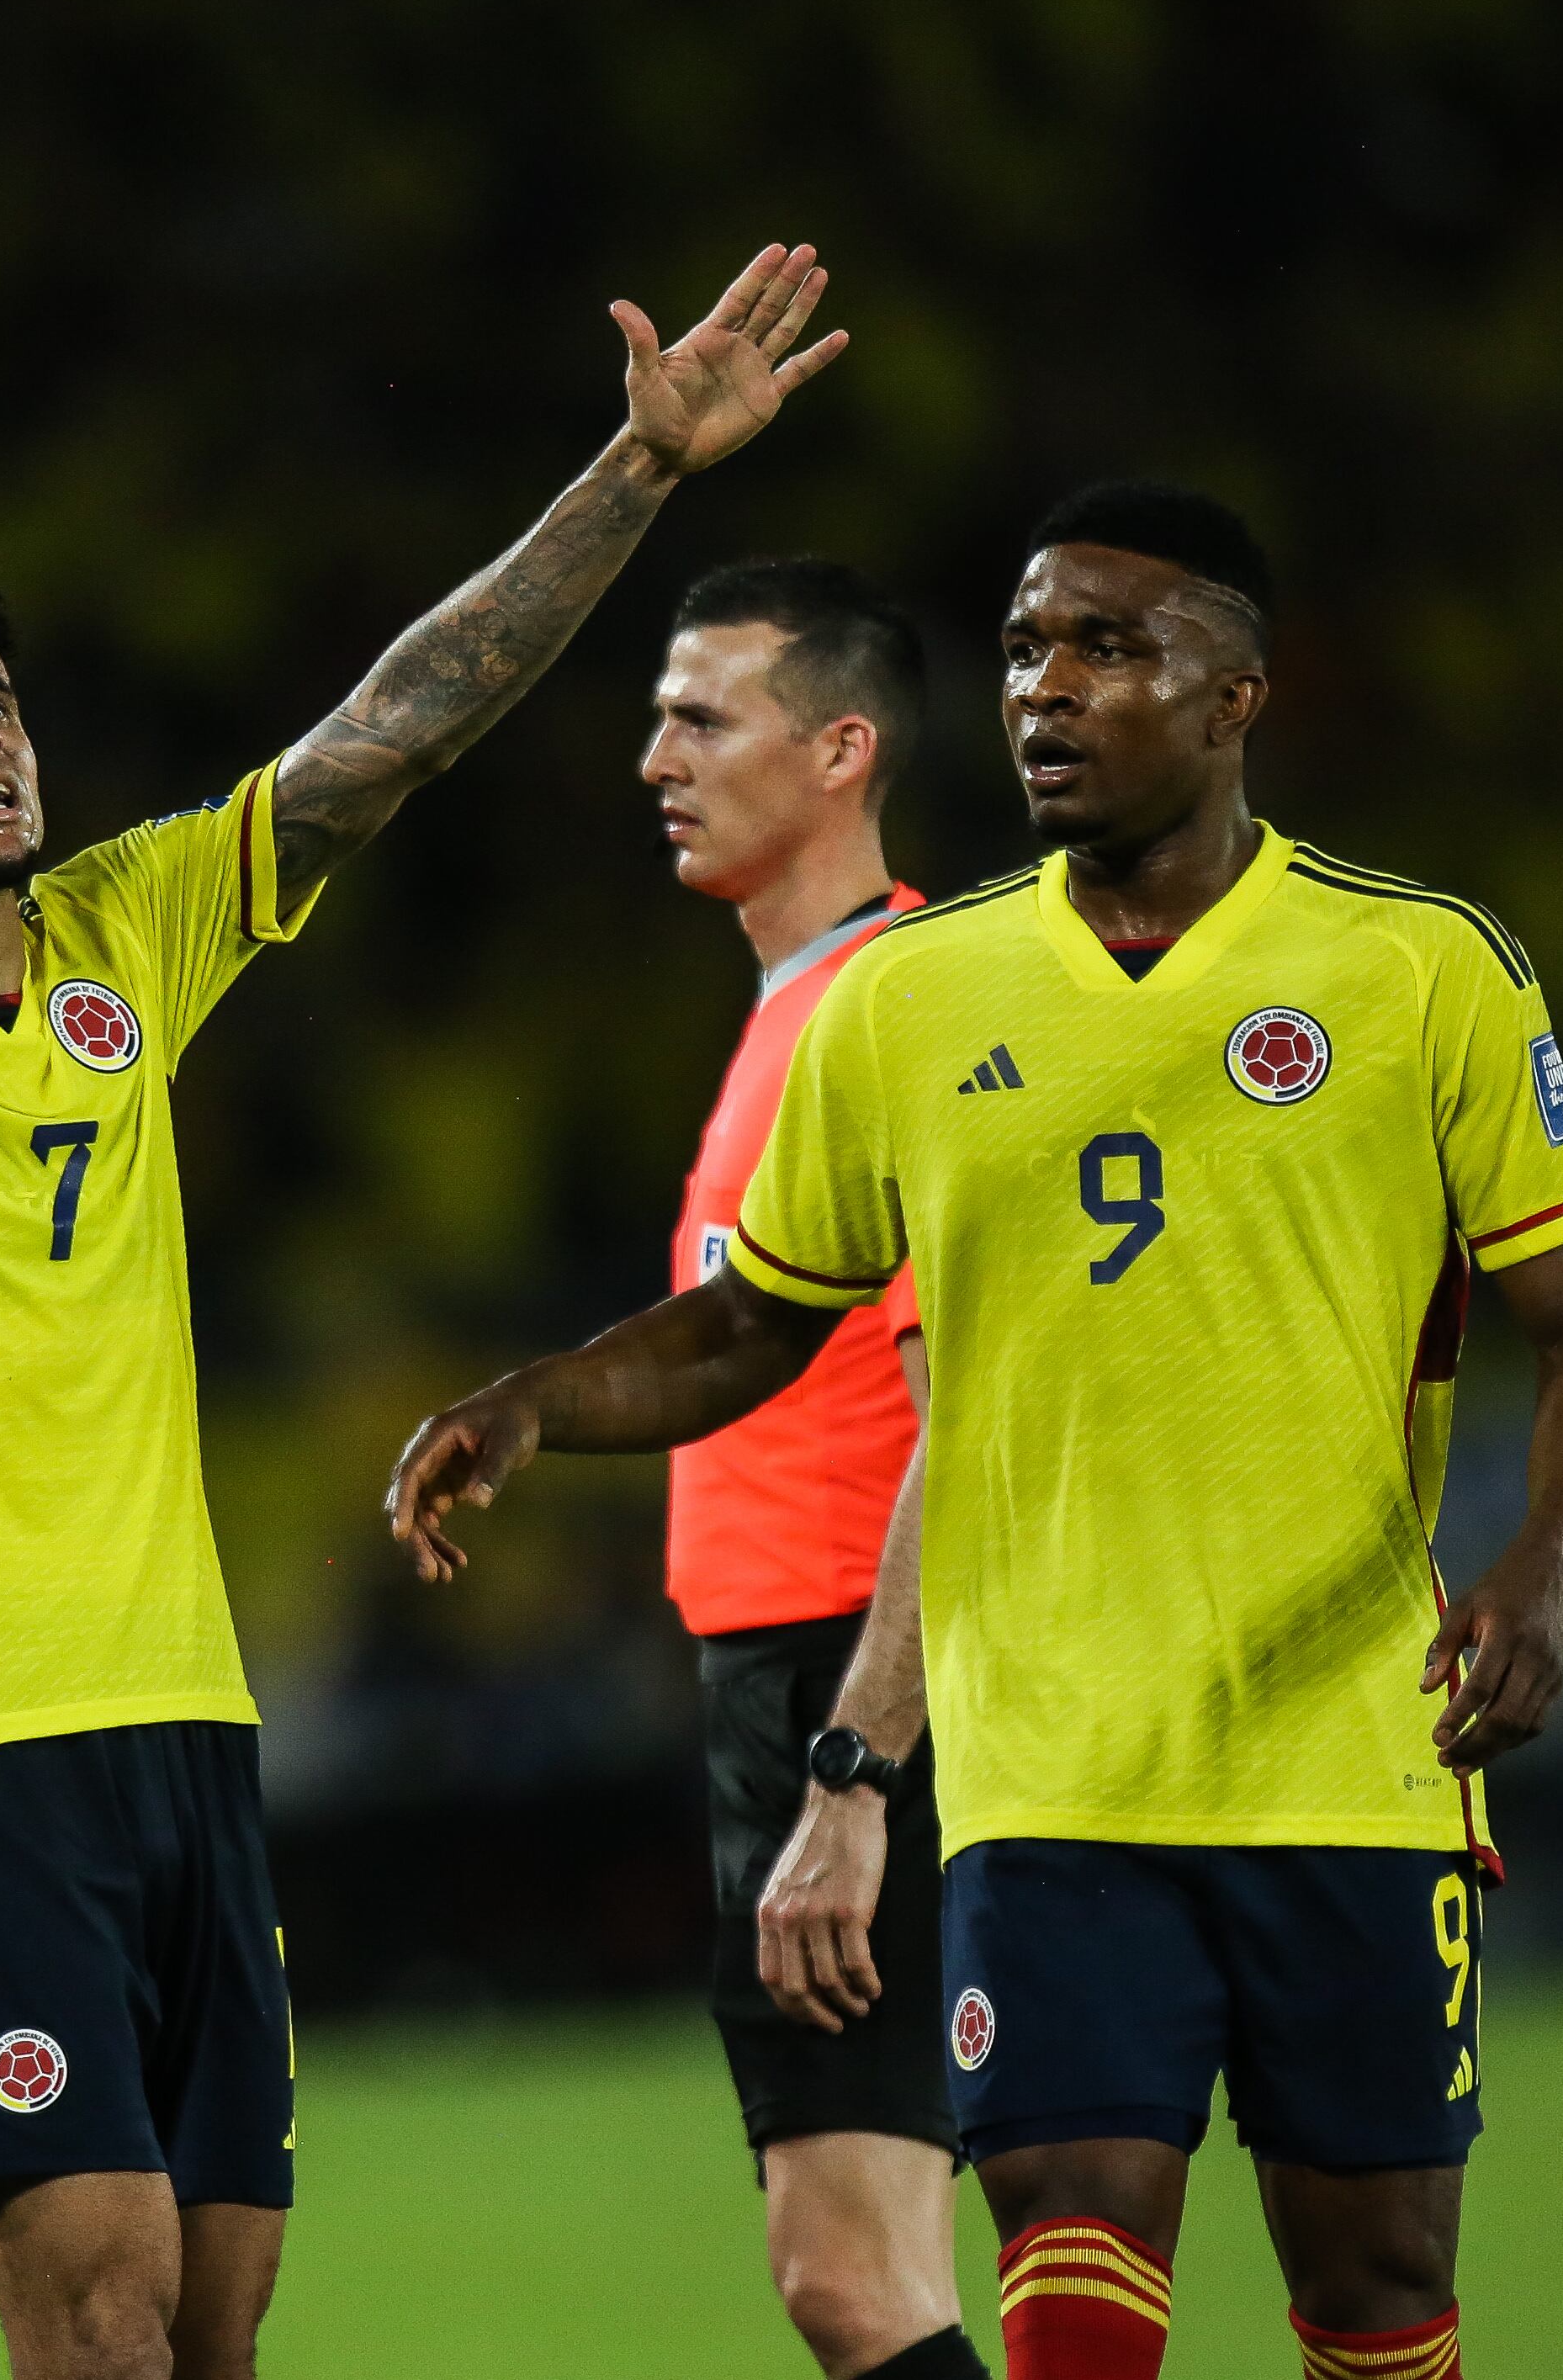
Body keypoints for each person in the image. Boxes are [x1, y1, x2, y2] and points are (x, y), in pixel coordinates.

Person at [0, 205, 845, 2380]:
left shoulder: (128, 934)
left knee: (210, 2330)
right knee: (88, 2316)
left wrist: (641, 472)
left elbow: (401, 723)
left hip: (186, 1728)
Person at [387, 483, 1563, 2380]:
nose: (1045, 689)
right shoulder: (913, 994)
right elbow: (753, 1319)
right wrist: (538, 1400)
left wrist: (1548, 1562)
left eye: (1107, 647)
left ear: (1235, 691)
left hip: (1341, 1751)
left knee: (1379, 2281)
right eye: (1021, 650)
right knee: (1066, 2233)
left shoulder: (1419, 969)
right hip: (1044, 1765)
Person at [642, 560, 980, 2380]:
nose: (654, 757)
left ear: (842, 747)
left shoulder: (888, 1012)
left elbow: (968, 1410)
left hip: (860, 1671)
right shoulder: (809, 998)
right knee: (895, 2259)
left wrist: (857, 1763)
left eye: (702, 716)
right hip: (807, 1668)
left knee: (850, 2271)